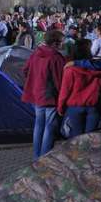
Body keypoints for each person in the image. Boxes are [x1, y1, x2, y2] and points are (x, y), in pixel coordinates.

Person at [22, 30, 66, 160]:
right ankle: (45, 157)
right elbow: (60, 80)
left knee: (39, 125)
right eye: (61, 42)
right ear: (55, 43)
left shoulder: (35, 54)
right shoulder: (56, 58)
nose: (63, 44)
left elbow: (25, 70)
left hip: (36, 94)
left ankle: (36, 156)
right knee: (49, 127)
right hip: (50, 96)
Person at [57, 39, 101, 138]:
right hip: (94, 106)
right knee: (91, 137)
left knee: (76, 136)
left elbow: (65, 91)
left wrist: (60, 107)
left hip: (74, 107)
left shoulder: (70, 70)